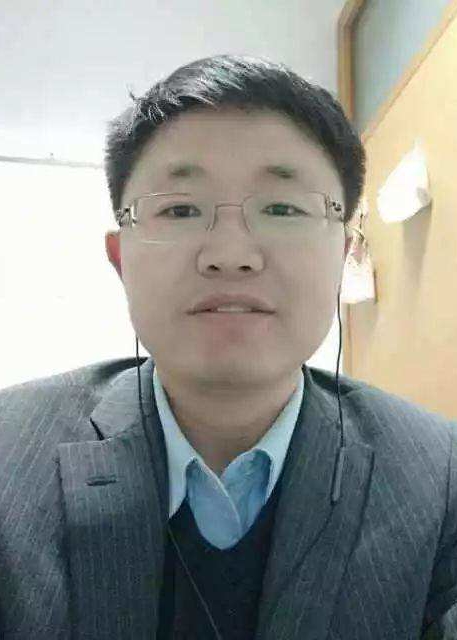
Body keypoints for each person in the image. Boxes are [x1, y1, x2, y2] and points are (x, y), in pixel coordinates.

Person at [0, 54, 456, 640]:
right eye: (181, 209)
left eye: (283, 208)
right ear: (121, 259)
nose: (231, 254)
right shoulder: (11, 454)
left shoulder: (438, 477)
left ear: (342, 254)